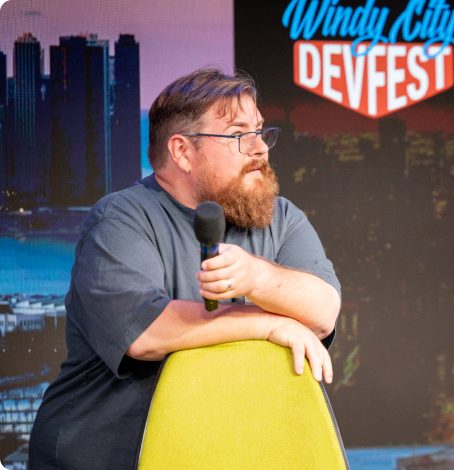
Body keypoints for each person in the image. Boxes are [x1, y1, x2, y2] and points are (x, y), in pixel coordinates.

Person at [29, 68, 341, 469]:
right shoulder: (119, 218)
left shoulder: (281, 218)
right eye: (239, 135)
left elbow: (322, 313)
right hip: (104, 458)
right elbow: (144, 333)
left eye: (261, 132)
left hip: (213, 454)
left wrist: (258, 277)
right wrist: (268, 323)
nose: (261, 148)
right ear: (182, 152)